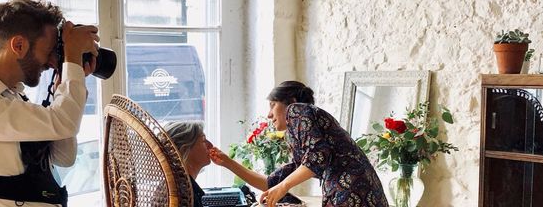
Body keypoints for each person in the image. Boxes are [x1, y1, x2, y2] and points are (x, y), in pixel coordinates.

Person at [0, 0, 100, 207]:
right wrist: (72, 63)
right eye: (49, 50)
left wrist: (66, 86)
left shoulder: (11, 95)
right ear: (18, 45)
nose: (53, 62)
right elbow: (64, 123)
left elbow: (64, 157)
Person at [209, 81, 389, 207]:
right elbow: (271, 183)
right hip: (359, 192)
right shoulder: (303, 136)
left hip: (354, 193)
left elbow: (317, 158)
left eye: (272, 105)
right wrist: (227, 162)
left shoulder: (297, 109)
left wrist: (283, 187)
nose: (269, 115)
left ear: (291, 102)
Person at [164, 121, 213, 207]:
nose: (210, 145)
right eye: (203, 141)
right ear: (185, 150)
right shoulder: (182, 195)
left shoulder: (179, 186)